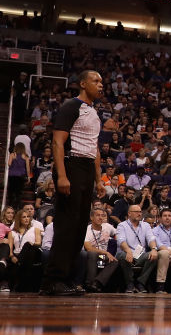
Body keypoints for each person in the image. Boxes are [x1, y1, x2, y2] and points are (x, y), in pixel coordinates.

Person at [41, 70, 105, 296]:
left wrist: (98, 180)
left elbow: (94, 148)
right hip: (72, 165)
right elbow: (58, 143)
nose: (100, 85)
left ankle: (66, 279)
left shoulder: (94, 113)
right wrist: (62, 175)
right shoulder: (71, 106)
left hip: (87, 169)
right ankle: (52, 281)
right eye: (96, 81)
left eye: (101, 82)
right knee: (66, 226)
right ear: (83, 84)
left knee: (79, 228)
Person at [115, 204, 158, 292]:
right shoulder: (122, 225)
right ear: (129, 213)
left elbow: (151, 238)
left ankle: (140, 283)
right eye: (136, 212)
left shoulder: (145, 225)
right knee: (123, 255)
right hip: (126, 253)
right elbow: (121, 240)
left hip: (140, 255)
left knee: (155, 255)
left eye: (140, 212)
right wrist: (128, 251)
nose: (139, 214)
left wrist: (154, 249)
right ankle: (130, 284)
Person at [1, 208, 42, 291]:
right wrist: (12, 256)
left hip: (33, 251)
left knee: (27, 245)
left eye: (28, 217)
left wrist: (32, 243)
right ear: (19, 219)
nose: (27, 219)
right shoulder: (12, 232)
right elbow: (10, 248)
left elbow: (38, 243)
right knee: (15, 257)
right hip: (18, 255)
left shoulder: (35, 229)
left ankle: (19, 265)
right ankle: (21, 283)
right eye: (24, 217)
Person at [81, 206, 118, 292]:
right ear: (91, 217)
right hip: (89, 257)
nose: (100, 217)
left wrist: (117, 240)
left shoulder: (107, 227)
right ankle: (89, 282)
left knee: (114, 261)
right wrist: (105, 252)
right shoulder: (87, 230)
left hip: (101, 258)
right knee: (93, 254)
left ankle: (96, 283)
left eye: (103, 215)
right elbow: (89, 248)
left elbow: (118, 233)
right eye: (98, 215)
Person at [6, 143, 32, 208]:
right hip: (21, 176)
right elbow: (28, 167)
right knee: (19, 192)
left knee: (11, 191)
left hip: (12, 175)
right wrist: (28, 177)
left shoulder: (12, 154)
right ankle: (17, 206)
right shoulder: (25, 156)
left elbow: (9, 164)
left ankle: (10, 205)